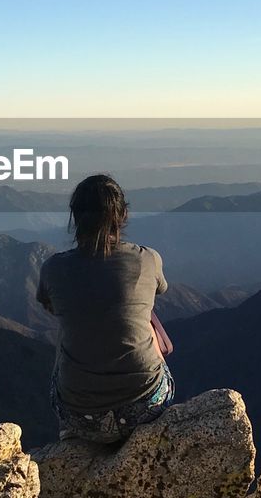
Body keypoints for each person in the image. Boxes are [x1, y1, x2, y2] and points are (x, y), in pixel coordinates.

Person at [37, 173, 176, 443]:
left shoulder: (53, 269)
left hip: (81, 416)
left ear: (75, 217)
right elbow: (160, 289)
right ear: (123, 215)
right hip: (145, 407)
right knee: (145, 316)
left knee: (70, 327)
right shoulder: (147, 259)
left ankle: (70, 438)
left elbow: (50, 306)